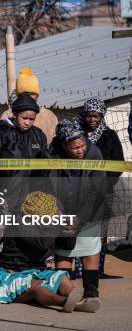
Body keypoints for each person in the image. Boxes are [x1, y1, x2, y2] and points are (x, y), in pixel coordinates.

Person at [0, 93, 49, 296]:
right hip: (2, 197)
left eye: (32, 119)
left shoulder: (38, 136)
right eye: (25, 118)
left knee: (28, 239)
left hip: (28, 200)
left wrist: (41, 195)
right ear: (15, 115)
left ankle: (25, 277)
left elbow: (45, 168)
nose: (28, 122)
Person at [0, 191, 83, 312]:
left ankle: (78, 300)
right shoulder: (20, 222)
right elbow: (41, 244)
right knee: (36, 286)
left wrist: (71, 230)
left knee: (62, 278)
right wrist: (57, 224)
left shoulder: (49, 227)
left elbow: (68, 246)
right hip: (8, 275)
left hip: (35, 272)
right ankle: (65, 302)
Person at [51, 119, 107, 313]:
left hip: (89, 211)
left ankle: (91, 295)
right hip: (62, 210)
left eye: (82, 145)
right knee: (63, 250)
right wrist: (57, 211)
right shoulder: (52, 155)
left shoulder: (95, 154)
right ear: (65, 145)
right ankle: (67, 294)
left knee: (89, 248)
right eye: (75, 147)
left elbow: (97, 191)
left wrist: (80, 217)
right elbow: (47, 185)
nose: (80, 150)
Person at [72, 99, 123, 279]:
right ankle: (79, 269)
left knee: (101, 233)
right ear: (84, 116)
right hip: (81, 193)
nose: (93, 119)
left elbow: (118, 163)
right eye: (89, 115)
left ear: (102, 116)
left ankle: (97, 270)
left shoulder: (111, 136)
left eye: (96, 116)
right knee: (80, 229)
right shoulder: (77, 136)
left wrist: (105, 185)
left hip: (104, 192)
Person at [0, 67, 58, 143]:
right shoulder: (8, 115)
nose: (28, 97)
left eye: (32, 94)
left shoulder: (49, 116)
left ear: (37, 95)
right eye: (25, 94)